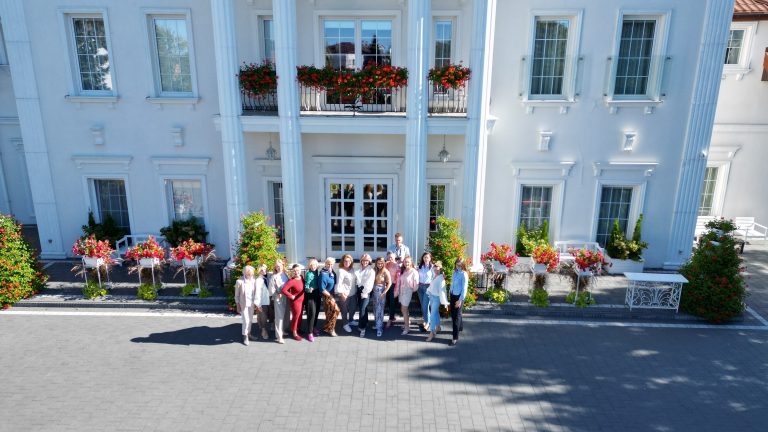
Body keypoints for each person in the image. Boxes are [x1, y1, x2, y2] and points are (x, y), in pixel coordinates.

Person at [234, 265, 269, 346]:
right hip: (244, 305)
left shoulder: (254, 280)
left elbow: (256, 293)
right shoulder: (239, 281)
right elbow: (236, 296)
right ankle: (245, 336)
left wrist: (257, 304)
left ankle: (249, 334)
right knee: (246, 321)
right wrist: (238, 305)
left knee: (250, 320)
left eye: (251, 274)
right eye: (248, 274)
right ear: (245, 273)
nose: (250, 275)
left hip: (251, 304)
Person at [281, 264, 305, 341]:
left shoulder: (301, 278)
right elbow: (283, 290)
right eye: (294, 271)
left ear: (300, 270)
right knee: (296, 316)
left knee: (300, 316)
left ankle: (297, 328)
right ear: (292, 272)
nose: (296, 272)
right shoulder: (292, 281)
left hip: (302, 300)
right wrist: (291, 296)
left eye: (298, 270)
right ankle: (294, 332)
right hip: (295, 302)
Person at [268, 259, 290, 344]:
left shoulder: (286, 274)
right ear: (275, 268)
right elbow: (271, 290)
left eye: (280, 266)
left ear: (283, 266)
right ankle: (279, 336)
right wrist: (277, 294)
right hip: (278, 298)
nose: (279, 267)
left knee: (286, 315)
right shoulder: (274, 277)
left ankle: (283, 330)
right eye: (277, 266)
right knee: (279, 317)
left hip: (286, 297)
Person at [336, 254, 358, 333]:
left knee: (353, 308)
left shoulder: (352, 269)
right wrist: (341, 293)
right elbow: (339, 283)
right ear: (342, 261)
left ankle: (351, 320)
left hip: (353, 293)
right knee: (344, 310)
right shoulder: (340, 271)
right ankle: (345, 324)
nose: (347, 262)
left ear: (351, 262)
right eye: (345, 261)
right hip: (344, 294)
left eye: (349, 261)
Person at [397, 256, 419, 335]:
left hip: (407, 291)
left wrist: (410, 290)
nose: (406, 263)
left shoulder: (414, 271)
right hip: (402, 291)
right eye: (405, 262)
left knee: (404, 309)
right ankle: (407, 323)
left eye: (408, 262)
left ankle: (407, 328)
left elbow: (416, 285)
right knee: (403, 309)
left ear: (411, 263)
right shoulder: (404, 270)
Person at [450, 258, 469, 346]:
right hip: (452, 295)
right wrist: (450, 293)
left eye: (460, 265)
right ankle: (460, 327)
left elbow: (464, 289)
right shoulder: (454, 273)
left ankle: (455, 337)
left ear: (463, 265)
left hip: (459, 296)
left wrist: (460, 300)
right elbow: (452, 284)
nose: (458, 267)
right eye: (457, 265)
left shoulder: (464, 274)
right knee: (454, 314)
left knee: (456, 317)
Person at [355, 254, 375, 337]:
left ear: (369, 261)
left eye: (367, 260)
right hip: (358, 290)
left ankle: (362, 328)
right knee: (363, 308)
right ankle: (365, 322)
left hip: (366, 291)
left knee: (362, 309)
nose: (365, 262)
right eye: (363, 260)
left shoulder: (371, 271)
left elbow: (369, 284)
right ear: (361, 260)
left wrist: (365, 293)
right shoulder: (359, 268)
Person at [372, 257, 392, 338]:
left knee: (379, 310)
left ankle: (379, 328)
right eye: (378, 263)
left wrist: (384, 292)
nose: (380, 265)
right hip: (374, 292)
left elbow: (389, 283)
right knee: (375, 309)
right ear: (376, 263)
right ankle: (377, 324)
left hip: (381, 292)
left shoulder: (385, 271)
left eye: (381, 263)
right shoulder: (374, 270)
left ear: (383, 263)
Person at [425, 261, 445, 342]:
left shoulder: (441, 278)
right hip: (432, 297)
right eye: (435, 268)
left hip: (437, 298)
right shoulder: (434, 275)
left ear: (440, 269)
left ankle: (432, 332)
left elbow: (443, 291)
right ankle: (438, 327)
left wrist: (445, 302)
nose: (436, 270)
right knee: (436, 313)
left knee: (432, 315)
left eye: (438, 269)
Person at [319, 257, 339, 336]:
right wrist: (331, 297)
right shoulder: (323, 274)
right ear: (325, 264)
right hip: (327, 296)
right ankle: (331, 329)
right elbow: (322, 289)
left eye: (331, 264)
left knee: (329, 313)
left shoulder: (331, 272)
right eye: (328, 264)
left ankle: (327, 328)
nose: (330, 266)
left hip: (332, 294)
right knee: (335, 311)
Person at [304, 258, 321, 342]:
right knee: (312, 313)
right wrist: (308, 289)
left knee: (317, 312)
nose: (313, 267)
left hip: (317, 293)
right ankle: (310, 333)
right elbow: (306, 285)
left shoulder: (317, 272)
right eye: (312, 265)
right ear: (309, 266)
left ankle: (314, 327)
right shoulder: (308, 274)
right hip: (310, 294)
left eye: (315, 265)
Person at [417, 252, 435, 332]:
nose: (426, 259)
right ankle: (426, 320)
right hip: (420, 287)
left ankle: (427, 323)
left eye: (427, 257)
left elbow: (434, 278)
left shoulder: (432, 267)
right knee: (423, 306)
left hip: (428, 288)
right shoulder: (420, 267)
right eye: (424, 257)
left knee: (425, 306)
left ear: (430, 258)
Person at [384, 251, 401, 328]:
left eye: (391, 257)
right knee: (388, 302)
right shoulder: (386, 264)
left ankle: (390, 319)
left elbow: (398, 279)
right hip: (386, 285)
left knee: (392, 302)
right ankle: (392, 317)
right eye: (388, 257)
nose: (390, 258)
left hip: (393, 285)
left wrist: (397, 289)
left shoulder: (397, 266)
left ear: (394, 258)